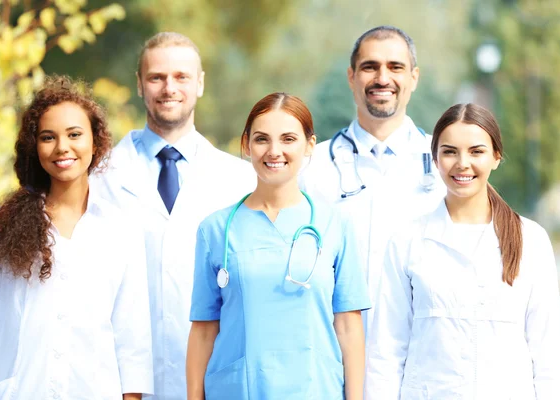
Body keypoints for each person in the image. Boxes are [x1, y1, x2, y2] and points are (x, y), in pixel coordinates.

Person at [365, 103, 560, 399]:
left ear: (496, 157)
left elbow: (548, 353)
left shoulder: (532, 240)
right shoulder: (407, 241)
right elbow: (386, 352)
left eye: (476, 151)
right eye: (450, 151)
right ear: (435, 159)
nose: (462, 163)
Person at [92, 32, 255, 399]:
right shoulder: (99, 176)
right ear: (139, 84)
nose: (169, 88)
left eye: (181, 77)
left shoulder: (238, 180)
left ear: (199, 83)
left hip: (214, 380)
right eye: (156, 77)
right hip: (122, 383)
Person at [186, 93, 370, 400]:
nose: (274, 151)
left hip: (316, 390)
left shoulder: (335, 225)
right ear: (245, 145)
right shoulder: (216, 230)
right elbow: (204, 330)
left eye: (288, 139)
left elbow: (349, 329)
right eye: (262, 139)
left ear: (310, 145)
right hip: (238, 390)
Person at [0, 76, 153, 400]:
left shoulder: (121, 230)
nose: (62, 147)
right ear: (35, 148)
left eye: (74, 134)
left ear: (96, 142)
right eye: (48, 137)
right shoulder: (0, 229)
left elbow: (132, 340)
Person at [299, 26, 446, 334]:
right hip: (334, 354)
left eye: (395, 67)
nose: (382, 78)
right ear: (351, 77)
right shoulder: (312, 169)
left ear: (413, 78)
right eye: (370, 66)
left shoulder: (444, 166)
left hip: (423, 355)